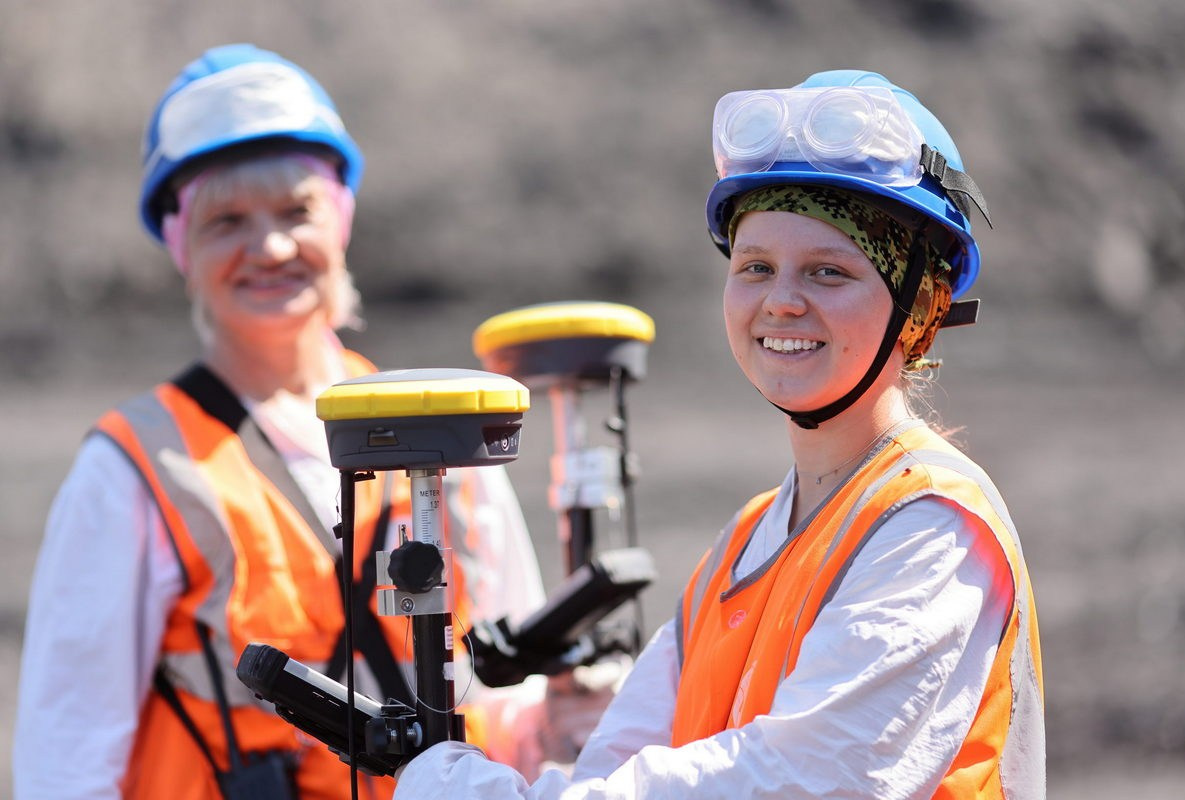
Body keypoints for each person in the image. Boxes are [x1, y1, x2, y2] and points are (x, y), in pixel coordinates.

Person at [388, 70, 1046, 798]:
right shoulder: (742, 548)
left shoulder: (933, 528)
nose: (782, 302)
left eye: (830, 272)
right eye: (756, 267)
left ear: (921, 303)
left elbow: (803, 779)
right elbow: (613, 769)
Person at [13, 43, 578, 799]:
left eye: (296, 211)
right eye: (227, 221)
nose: (271, 247)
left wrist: (565, 721)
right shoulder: (133, 469)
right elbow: (67, 763)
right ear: (180, 244)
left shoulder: (442, 424)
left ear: (340, 220)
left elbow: (507, 705)